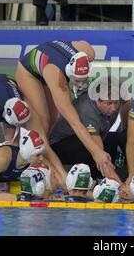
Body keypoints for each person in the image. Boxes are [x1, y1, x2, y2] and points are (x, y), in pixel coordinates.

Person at [16, 39, 115, 185]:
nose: (81, 85)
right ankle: (51, 173)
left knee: (52, 122)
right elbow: (75, 123)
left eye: (84, 79)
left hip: (50, 58)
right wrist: (96, 153)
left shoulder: (88, 52)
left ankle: (46, 165)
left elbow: (78, 42)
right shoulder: (59, 81)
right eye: (78, 81)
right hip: (29, 73)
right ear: (69, 72)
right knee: (42, 125)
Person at [49, 76, 124, 181]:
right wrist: (117, 183)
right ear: (96, 99)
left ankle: (100, 177)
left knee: (115, 137)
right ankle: (96, 179)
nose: (114, 108)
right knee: (91, 147)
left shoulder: (115, 100)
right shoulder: (87, 111)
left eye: (116, 102)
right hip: (60, 146)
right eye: (109, 103)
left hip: (84, 139)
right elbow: (97, 149)